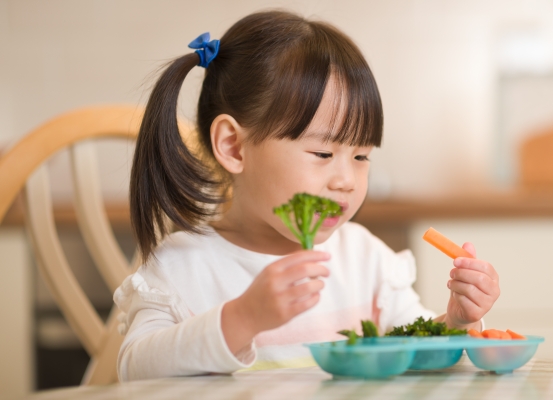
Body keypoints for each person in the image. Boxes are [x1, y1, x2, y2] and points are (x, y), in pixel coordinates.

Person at [114, 10, 500, 382]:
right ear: (233, 146)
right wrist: (243, 318)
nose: (347, 180)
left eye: (362, 156)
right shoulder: (183, 267)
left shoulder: (365, 260)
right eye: (323, 154)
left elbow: (410, 353)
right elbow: (134, 369)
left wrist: (456, 321)